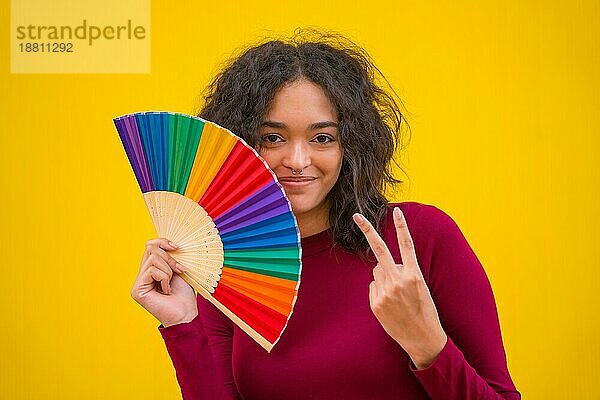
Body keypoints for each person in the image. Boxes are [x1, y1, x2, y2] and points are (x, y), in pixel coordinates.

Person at [130, 30, 521, 399]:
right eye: (273, 138)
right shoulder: (230, 267)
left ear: (351, 144)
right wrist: (182, 322)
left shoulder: (422, 238)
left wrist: (428, 345)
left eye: (322, 138)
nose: (298, 161)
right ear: (241, 144)